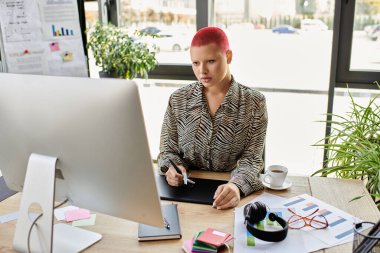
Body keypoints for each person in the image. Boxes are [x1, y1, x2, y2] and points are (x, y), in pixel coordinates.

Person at [157, 26, 268, 210]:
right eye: (195, 63)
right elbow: (167, 150)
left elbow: (252, 160)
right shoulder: (178, 99)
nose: (202, 71)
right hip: (181, 200)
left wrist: (236, 186)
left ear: (229, 56)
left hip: (229, 199)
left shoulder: (254, 103)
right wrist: (172, 168)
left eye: (210, 61)